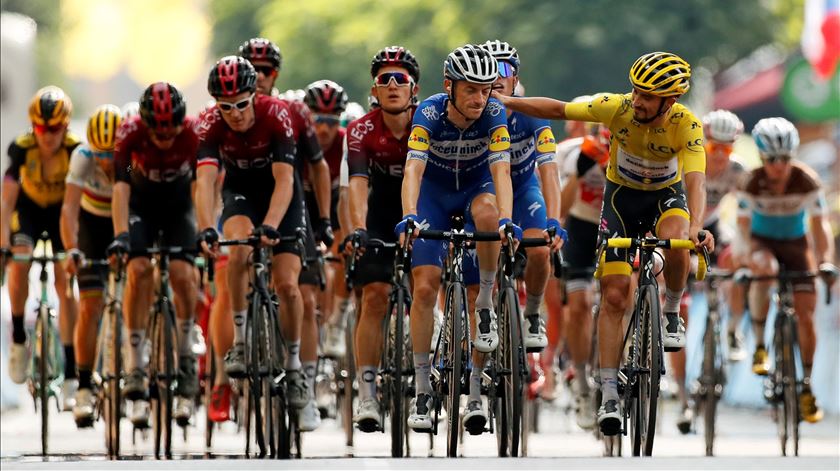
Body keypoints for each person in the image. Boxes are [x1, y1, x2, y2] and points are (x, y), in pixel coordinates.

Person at [492, 51, 714, 435]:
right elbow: (560, 110)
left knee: (679, 239)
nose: (637, 100)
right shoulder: (617, 108)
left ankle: (672, 310)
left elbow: (695, 181)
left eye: (648, 96)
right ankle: (609, 389)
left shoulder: (687, 125)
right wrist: (507, 101)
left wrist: (696, 227)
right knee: (612, 295)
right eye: (636, 91)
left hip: (665, 197)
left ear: (670, 101)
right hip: (621, 200)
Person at [398, 44, 516, 431]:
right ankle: (421, 388)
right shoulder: (428, 112)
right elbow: (413, 169)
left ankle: (483, 306)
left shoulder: (495, 113)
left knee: (488, 214)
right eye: (471, 90)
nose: (480, 98)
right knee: (426, 286)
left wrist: (507, 221)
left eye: (486, 89)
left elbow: (501, 174)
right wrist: (410, 216)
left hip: (475, 190)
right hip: (433, 194)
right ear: (449, 86)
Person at [455, 39, 564, 434]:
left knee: (539, 251)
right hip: (481, 191)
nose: (496, 80)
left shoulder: (531, 113)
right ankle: (472, 390)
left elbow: (549, 170)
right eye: (489, 71)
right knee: (473, 296)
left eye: (504, 72)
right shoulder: (474, 109)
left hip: (523, 189)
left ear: (517, 76)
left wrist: (553, 220)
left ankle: (532, 312)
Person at [195, 56, 310, 413]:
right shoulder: (209, 124)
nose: (235, 114)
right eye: (226, 107)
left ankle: (293, 365)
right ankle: (242, 341)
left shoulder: (277, 115)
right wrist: (205, 228)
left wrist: (272, 224)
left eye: (242, 104)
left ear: (254, 97)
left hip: (281, 197)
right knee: (239, 251)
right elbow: (205, 182)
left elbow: (286, 181)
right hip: (241, 194)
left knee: (288, 284)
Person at [235, 38, 332, 431]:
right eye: (251, 67)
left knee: (302, 296)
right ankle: (239, 355)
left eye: (266, 70)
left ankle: (303, 385)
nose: (258, 76)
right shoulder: (226, 113)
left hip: (292, 203)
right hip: (245, 202)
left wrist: (324, 220)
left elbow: (319, 166)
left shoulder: (293, 111)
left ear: (276, 75)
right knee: (235, 268)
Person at [109, 82, 200, 427]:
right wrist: (120, 235)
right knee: (139, 270)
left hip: (179, 207)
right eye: (157, 128)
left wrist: (205, 227)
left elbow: (201, 183)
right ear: (146, 122)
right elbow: (121, 187)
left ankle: (187, 353)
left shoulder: (191, 135)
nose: (164, 134)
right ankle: (135, 361)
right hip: (141, 204)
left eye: (169, 127)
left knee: (181, 272)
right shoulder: (131, 133)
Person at [736, 117, 837, 424]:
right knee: (764, 269)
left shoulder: (807, 180)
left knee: (806, 315)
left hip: (796, 246)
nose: (778, 167)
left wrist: (826, 262)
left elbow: (821, 229)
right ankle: (760, 345)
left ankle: (806, 384)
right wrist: (744, 257)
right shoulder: (751, 182)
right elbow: (741, 230)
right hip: (762, 242)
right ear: (761, 158)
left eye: (784, 159)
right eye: (771, 160)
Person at [345, 46, 420, 432]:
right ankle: (368, 393)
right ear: (373, 91)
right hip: (379, 215)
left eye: (400, 79)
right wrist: (358, 228)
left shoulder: (427, 123)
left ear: (414, 88)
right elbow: (358, 185)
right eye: (383, 80)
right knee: (373, 296)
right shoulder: (359, 130)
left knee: (430, 285)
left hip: (424, 210)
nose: (392, 85)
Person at [1, 86, 80, 410]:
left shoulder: (76, 149)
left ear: (66, 126)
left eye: (55, 129)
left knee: (65, 282)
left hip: (61, 211)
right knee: (19, 263)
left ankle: (72, 367)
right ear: (33, 127)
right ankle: (19, 336)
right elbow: (6, 203)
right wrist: (3, 242)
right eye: (42, 129)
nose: (48, 137)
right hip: (29, 212)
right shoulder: (21, 148)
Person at [60, 104, 122, 427]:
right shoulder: (82, 156)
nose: (106, 161)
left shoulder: (131, 154)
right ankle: (84, 385)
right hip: (91, 226)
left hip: (121, 222)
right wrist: (71, 249)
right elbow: (69, 210)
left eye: (111, 154)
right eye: (102, 154)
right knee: (90, 305)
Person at [556, 120, 610, 429]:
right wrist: (580, 170)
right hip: (581, 226)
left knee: (623, 293)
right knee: (578, 304)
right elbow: (562, 208)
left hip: (614, 225)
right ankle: (582, 381)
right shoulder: (574, 152)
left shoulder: (634, 153)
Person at [302, 80, 352, 358]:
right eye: (318, 120)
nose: (324, 129)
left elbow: (352, 197)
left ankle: (338, 320)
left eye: (332, 122)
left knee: (344, 250)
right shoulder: (297, 140)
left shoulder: (346, 143)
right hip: (303, 206)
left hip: (336, 205)